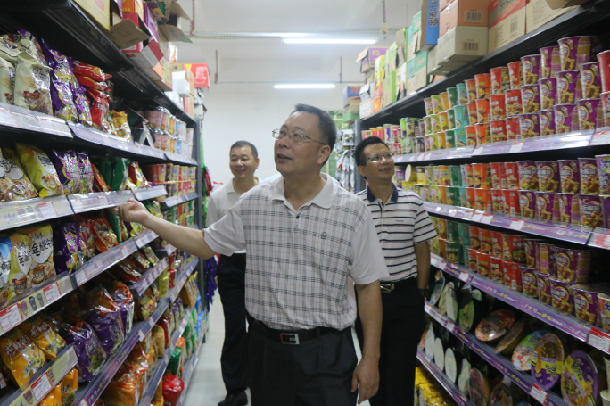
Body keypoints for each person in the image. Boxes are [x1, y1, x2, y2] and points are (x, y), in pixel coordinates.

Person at [115, 104, 389, 406]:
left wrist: (371, 358)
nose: (283, 142)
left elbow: (368, 286)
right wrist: (149, 219)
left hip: (327, 353)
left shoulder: (351, 210)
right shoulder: (256, 201)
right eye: (281, 133)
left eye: (297, 136)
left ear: (323, 153)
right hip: (267, 352)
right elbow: (206, 243)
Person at [354, 136, 436, 406]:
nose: (384, 161)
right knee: (373, 366)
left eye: (387, 155)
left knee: (402, 370)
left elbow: (422, 250)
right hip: (367, 298)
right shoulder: (353, 206)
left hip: (404, 298)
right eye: (375, 158)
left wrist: (420, 292)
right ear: (362, 169)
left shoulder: (413, 202)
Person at [207, 141, 260, 406]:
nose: (239, 163)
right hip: (231, 267)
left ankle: (260, 379)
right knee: (236, 327)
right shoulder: (218, 197)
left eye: (245, 158)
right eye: (234, 158)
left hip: (262, 266)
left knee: (261, 328)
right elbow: (211, 237)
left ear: (256, 162)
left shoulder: (268, 192)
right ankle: (236, 388)